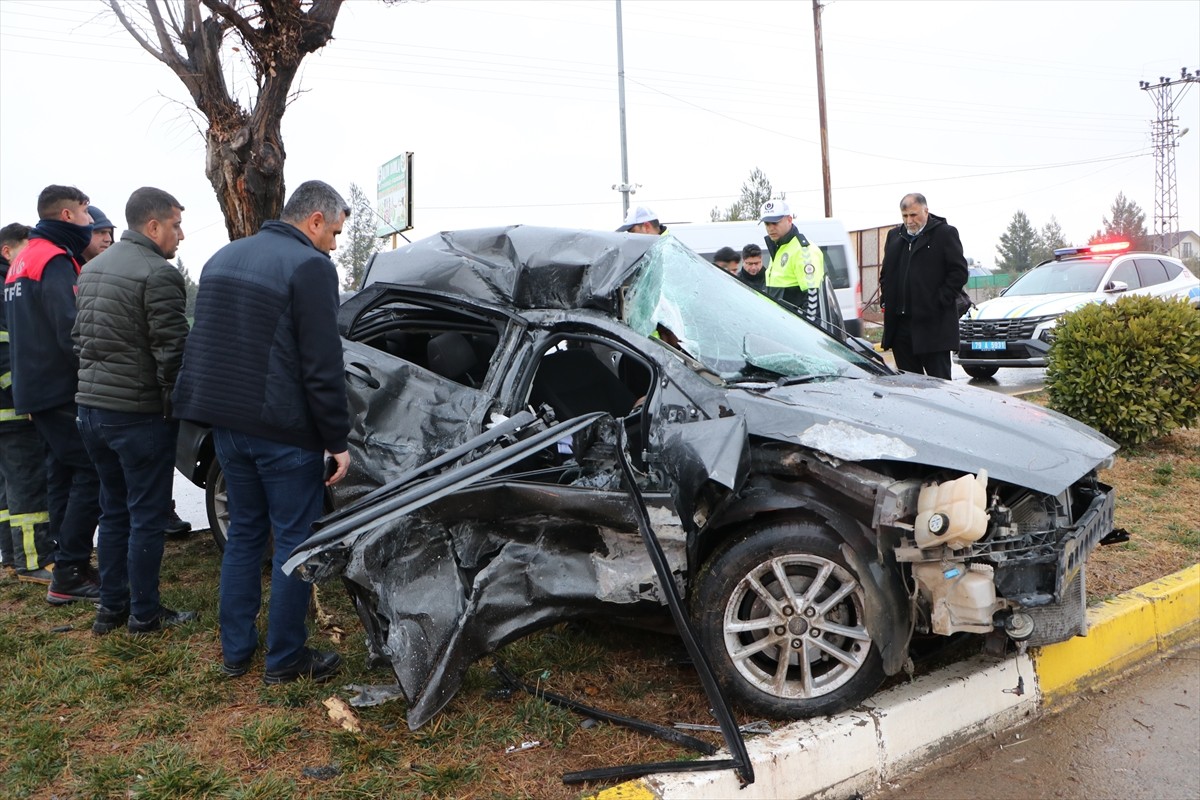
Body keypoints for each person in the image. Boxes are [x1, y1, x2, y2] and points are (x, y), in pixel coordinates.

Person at [173, 180, 351, 683]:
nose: (334, 245)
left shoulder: (222, 259)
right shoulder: (310, 267)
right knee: (295, 542)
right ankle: (285, 660)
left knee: (246, 535)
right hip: (284, 431)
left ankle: (236, 653)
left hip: (228, 426)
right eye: (334, 232)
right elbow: (322, 364)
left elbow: (205, 347)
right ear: (314, 219)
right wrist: (336, 440)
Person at [74, 187, 196, 635]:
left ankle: (111, 609)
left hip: (92, 411)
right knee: (146, 514)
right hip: (137, 413)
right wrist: (175, 407)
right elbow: (172, 353)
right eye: (176, 225)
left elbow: (79, 340)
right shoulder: (158, 274)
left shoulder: (91, 270)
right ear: (153, 226)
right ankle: (144, 614)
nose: (180, 235)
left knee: (113, 511)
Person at [4, 185, 101, 605]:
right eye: (85, 212)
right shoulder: (54, 260)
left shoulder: (22, 259)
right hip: (61, 388)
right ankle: (71, 572)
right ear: (66, 215)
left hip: (34, 389)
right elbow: (71, 330)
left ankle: (67, 562)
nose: (90, 221)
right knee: (94, 471)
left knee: (62, 473)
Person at [0, 222, 53, 584]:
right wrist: (24, 396)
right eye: (25, 248)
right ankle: (34, 562)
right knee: (28, 485)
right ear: (7, 250)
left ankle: (10, 554)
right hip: (13, 410)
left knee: (8, 490)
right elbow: (6, 354)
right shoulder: (5, 289)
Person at [879, 192, 968, 380]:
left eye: (913, 215)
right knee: (910, 387)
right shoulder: (894, 236)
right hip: (901, 328)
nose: (909, 221)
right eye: (905, 216)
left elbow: (958, 273)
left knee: (940, 386)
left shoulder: (945, 234)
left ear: (926, 211)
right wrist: (886, 298)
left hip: (933, 326)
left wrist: (937, 302)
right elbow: (886, 274)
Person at [758, 199, 842, 333]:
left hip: (794, 333)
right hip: (780, 328)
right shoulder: (779, 248)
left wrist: (806, 334)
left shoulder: (803, 250)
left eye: (775, 222)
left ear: (789, 220)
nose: (770, 228)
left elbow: (812, 300)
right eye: (767, 223)